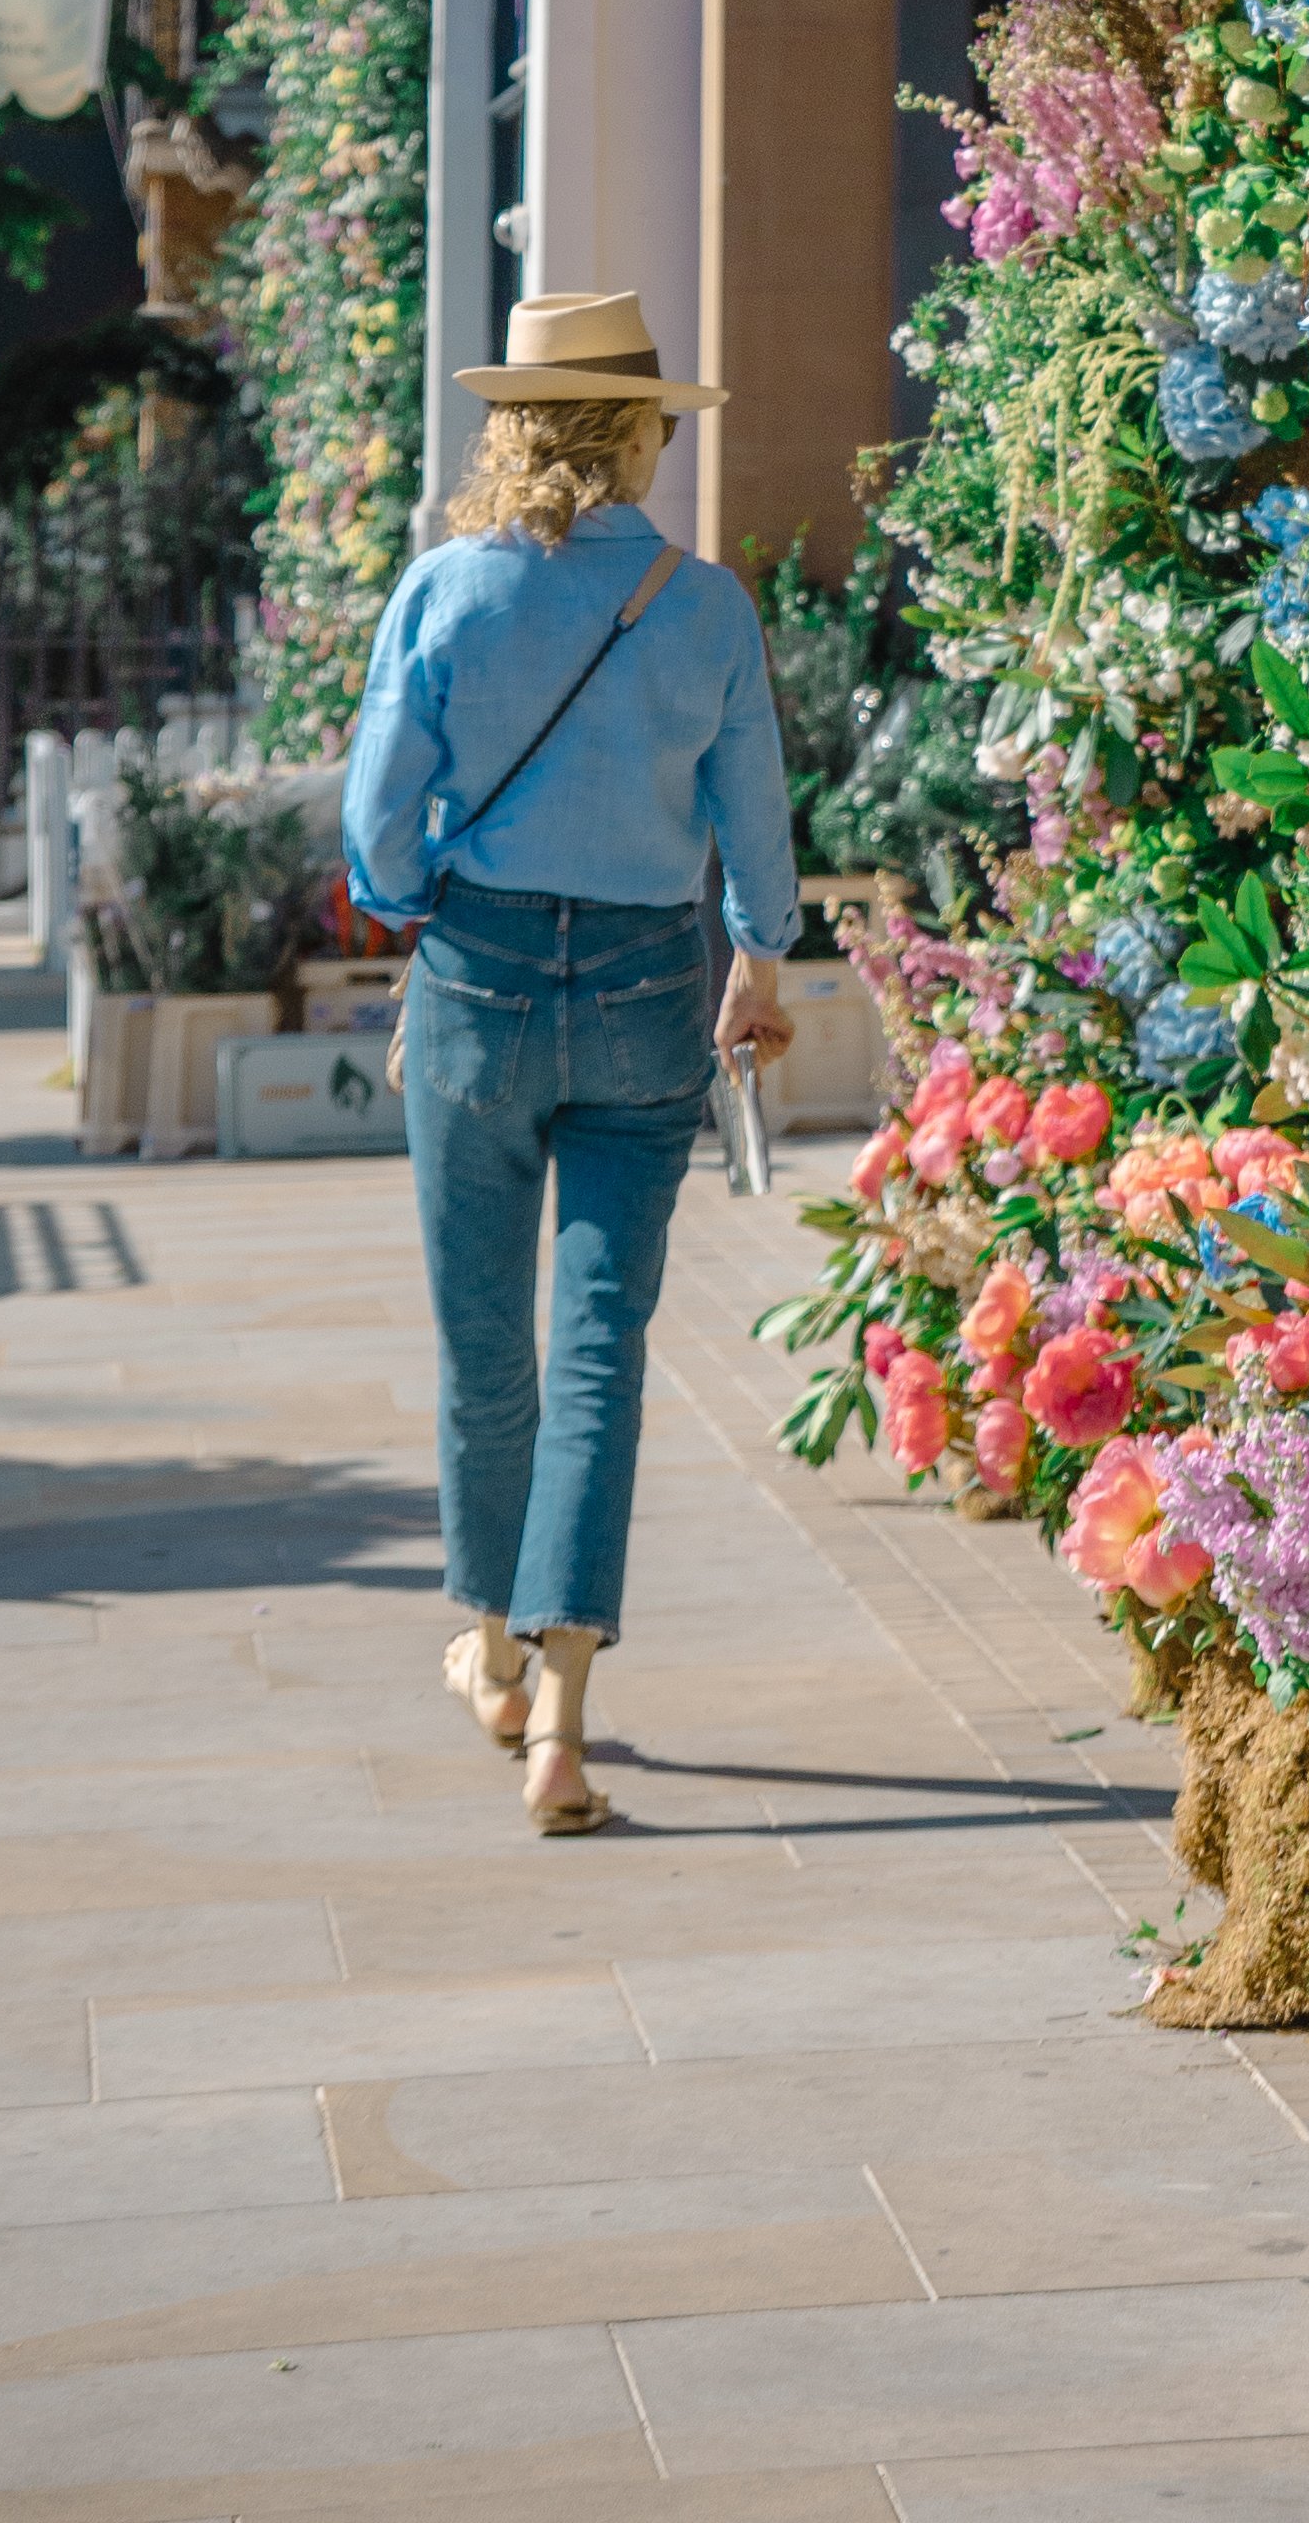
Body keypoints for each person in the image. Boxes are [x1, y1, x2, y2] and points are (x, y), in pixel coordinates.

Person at [343, 290, 800, 1834]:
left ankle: (483, 1645)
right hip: (642, 988)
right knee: (601, 1347)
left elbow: (376, 828)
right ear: (640, 431)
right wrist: (757, 958)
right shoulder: (706, 605)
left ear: (516, 427)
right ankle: (562, 1724)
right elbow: (757, 833)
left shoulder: (447, 591)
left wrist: (425, 913)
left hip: (476, 983)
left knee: (487, 1346)